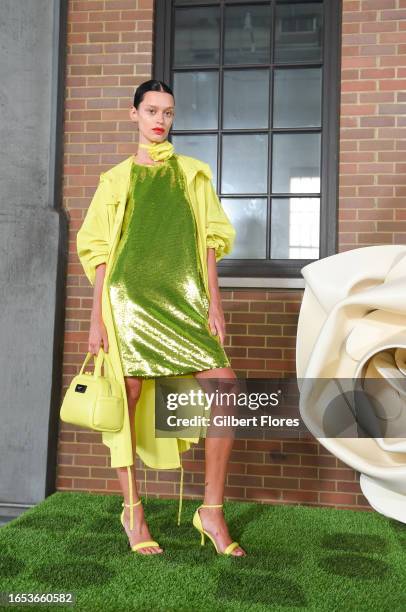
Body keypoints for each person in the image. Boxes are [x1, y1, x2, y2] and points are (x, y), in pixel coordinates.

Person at [77, 79, 246, 557]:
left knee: (226, 387)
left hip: (185, 300)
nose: (159, 120)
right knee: (126, 396)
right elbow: (101, 255)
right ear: (134, 114)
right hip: (128, 303)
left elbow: (211, 242)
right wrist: (97, 320)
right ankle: (133, 508)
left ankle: (211, 510)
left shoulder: (192, 173)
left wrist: (214, 301)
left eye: (167, 113)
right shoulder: (116, 179)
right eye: (151, 110)